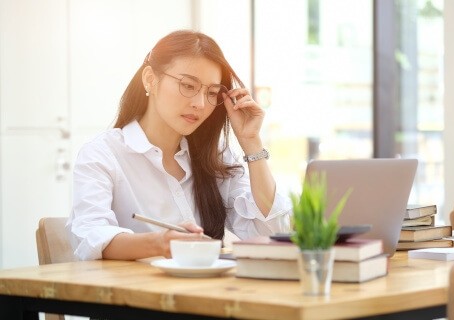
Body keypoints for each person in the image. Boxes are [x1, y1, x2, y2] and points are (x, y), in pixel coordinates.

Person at [67, 30, 292, 261]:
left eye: (212, 92)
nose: (200, 103)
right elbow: (91, 238)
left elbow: (271, 232)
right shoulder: (103, 154)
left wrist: (251, 142)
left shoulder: (216, 157)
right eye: (188, 85)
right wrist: (160, 244)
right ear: (150, 80)